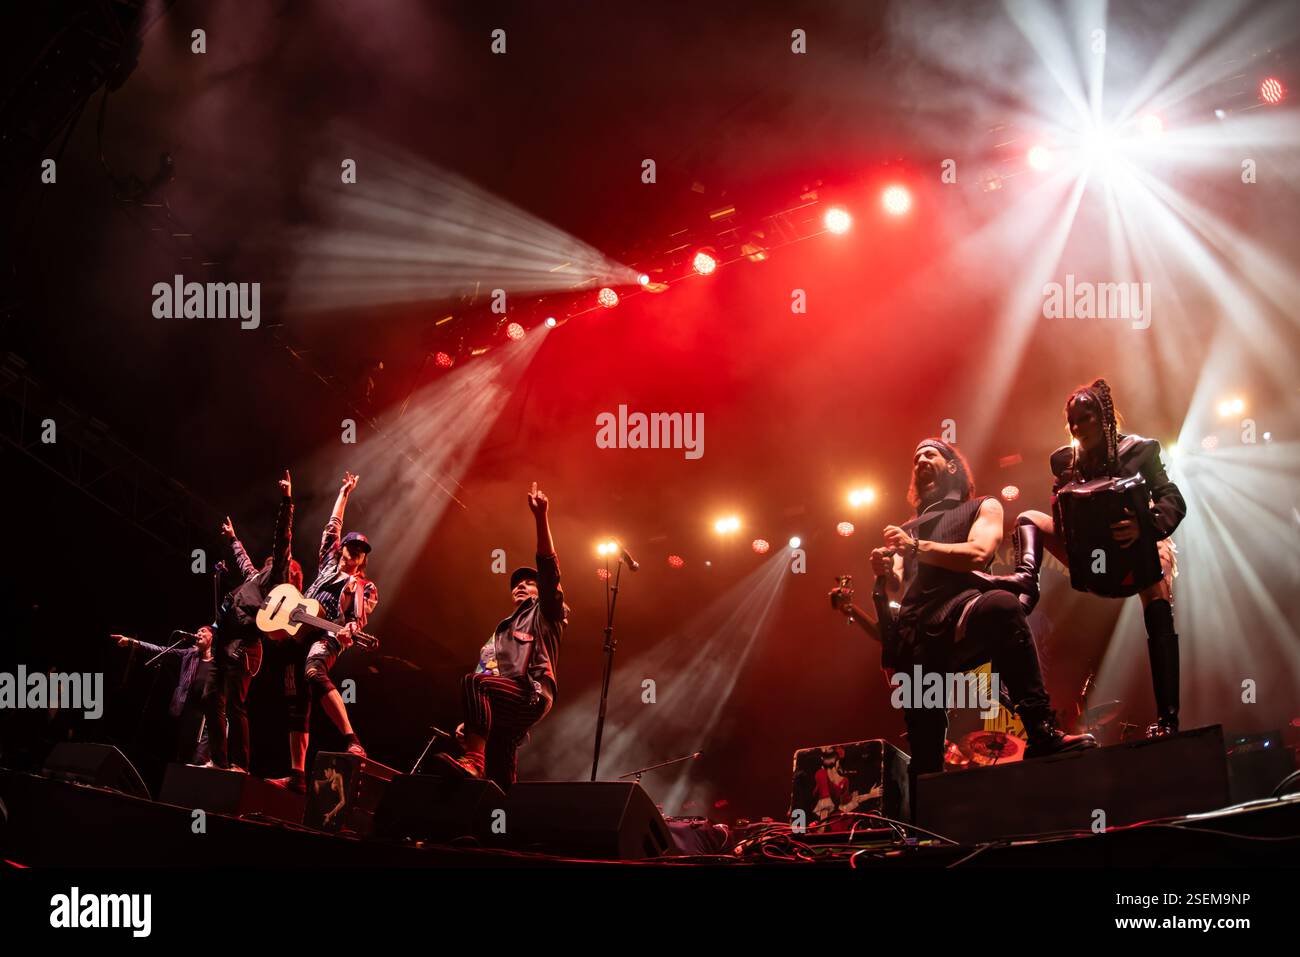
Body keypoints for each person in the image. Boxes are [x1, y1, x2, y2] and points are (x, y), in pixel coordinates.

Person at [859, 438, 1096, 777]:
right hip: (915, 633)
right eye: (916, 457)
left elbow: (979, 553)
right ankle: (926, 796)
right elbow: (897, 583)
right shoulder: (907, 530)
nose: (920, 460)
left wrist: (915, 547)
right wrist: (884, 570)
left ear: (951, 466)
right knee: (925, 759)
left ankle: (1041, 731)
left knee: (1002, 606)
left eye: (930, 453)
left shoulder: (984, 506)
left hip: (961, 610)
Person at [1018, 378, 1187, 736]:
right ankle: (1024, 589)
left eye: (1085, 418)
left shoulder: (1140, 450)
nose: (1078, 428)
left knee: (1158, 591)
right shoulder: (1064, 461)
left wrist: (1145, 525)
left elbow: (1173, 499)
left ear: (1104, 417)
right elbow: (1059, 515)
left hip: (1136, 549)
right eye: (1072, 421)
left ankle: (1168, 719)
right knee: (1027, 519)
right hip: (1087, 558)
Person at [438, 483, 566, 789]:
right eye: (516, 584)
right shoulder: (500, 631)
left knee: (474, 682)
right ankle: (500, 813)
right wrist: (473, 724)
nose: (521, 585)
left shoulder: (546, 612)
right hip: (506, 706)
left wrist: (540, 517)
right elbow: (488, 673)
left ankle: (474, 761)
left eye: (529, 582)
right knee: (499, 779)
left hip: (531, 691)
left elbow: (549, 569)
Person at [272, 471, 376, 788]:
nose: (356, 550)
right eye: (352, 545)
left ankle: (351, 739)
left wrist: (349, 629)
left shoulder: (364, 586)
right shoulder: (328, 562)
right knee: (296, 700)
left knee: (314, 672)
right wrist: (344, 492)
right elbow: (333, 525)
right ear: (342, 548)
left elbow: (358, 617)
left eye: (361, 549)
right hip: (298, 633)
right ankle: (297, 775)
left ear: (363, 558)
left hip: (329, 634)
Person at [201, 471, 294, 772]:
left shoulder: (274, 580)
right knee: (210, 698)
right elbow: (243, 562)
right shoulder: (256, 576)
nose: (271, 559)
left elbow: (282, 540)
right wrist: (233, 538)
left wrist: (287, 501)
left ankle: (240, 764)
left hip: (243, 648)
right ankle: (219, 760)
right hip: (224, 642)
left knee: (234, 705)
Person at [112, 627, 214, 764]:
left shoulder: (218, 662)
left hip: (205, 717)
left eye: (203, 631)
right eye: (198, 631)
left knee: (199, 759)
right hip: (185, 713)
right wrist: (132, 642)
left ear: (212, 637)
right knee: (181, 757)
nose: (198, 633)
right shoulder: (189, 654)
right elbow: (160, 650)